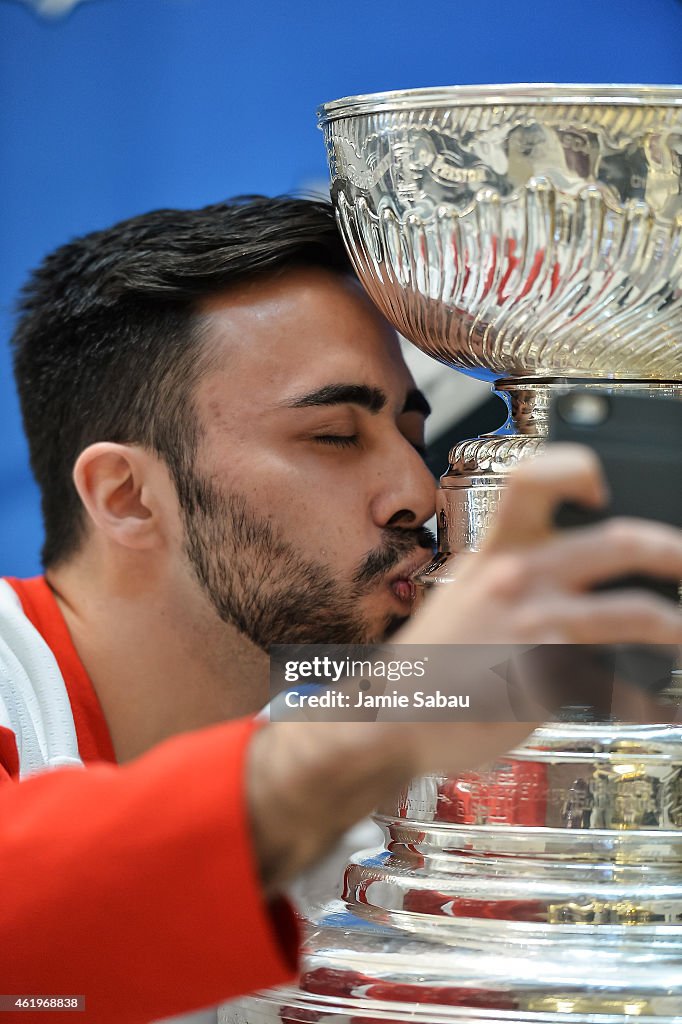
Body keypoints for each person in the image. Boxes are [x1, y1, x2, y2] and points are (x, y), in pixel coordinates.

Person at [2, 197, 681, 1024]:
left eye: (410, 432)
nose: (418, 493)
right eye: (333, 436)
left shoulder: (371, 824)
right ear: (128, 496)